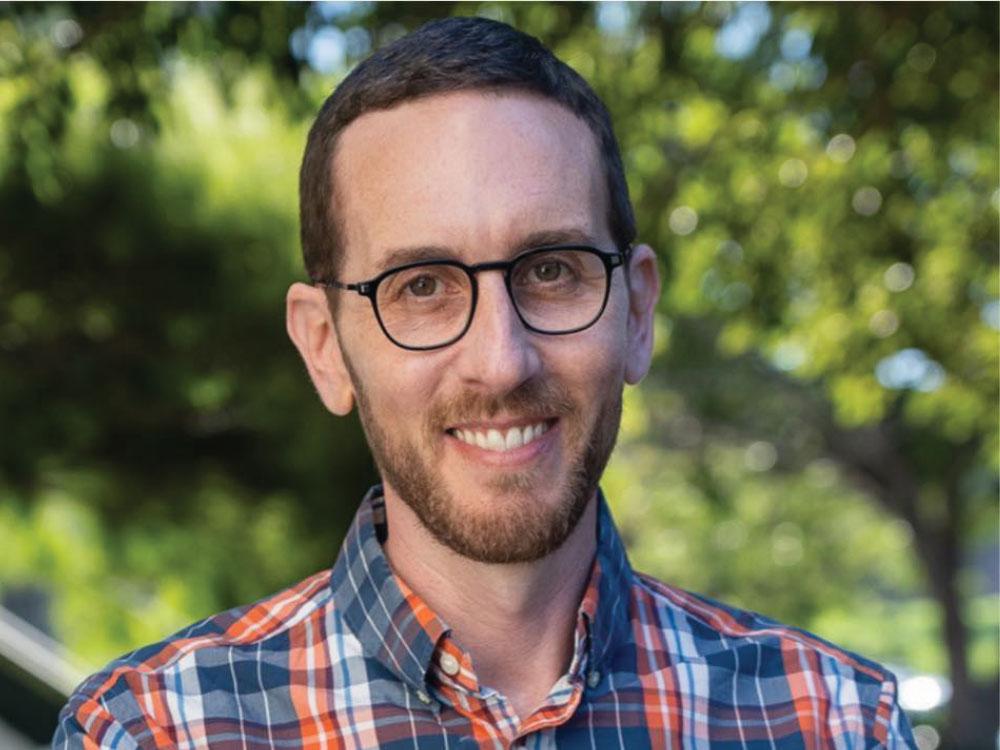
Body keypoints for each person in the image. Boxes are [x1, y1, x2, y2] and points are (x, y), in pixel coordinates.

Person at [54, 17, 915, 749]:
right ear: (324, 347)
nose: (502, 361)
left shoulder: (831, 721)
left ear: (637, 313)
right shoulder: (156, 731)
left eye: (551, 270)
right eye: (422, 287)